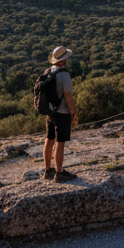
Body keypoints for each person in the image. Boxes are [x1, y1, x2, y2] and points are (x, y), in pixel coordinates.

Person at [43, 45, 79, 181]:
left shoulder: (49, 71)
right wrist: (74, 113)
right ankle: (59, 173)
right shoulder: (64, 75)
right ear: (64, 60)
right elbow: (68, 96)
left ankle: (48, 170)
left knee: (49, 139)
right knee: (61, 141)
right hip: (62, 112)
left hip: (50, 112)